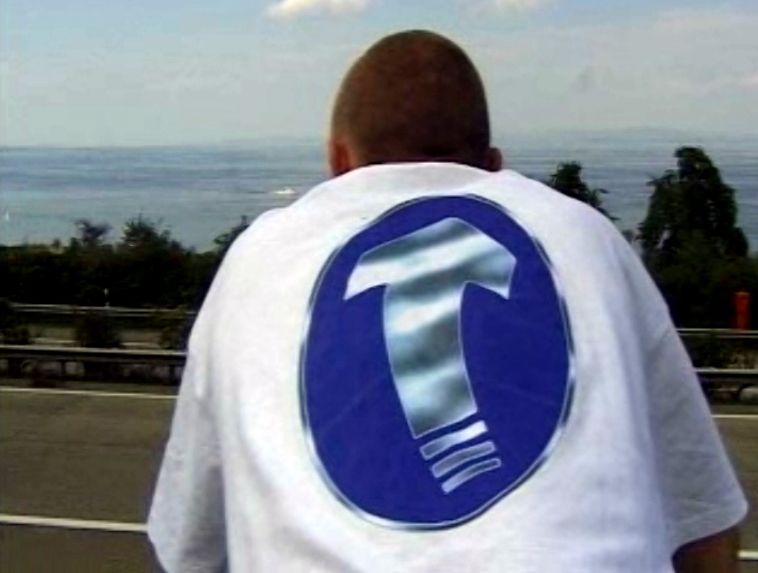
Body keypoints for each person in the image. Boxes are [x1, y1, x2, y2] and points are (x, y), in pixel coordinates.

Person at [147, 30, 747, 572]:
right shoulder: (587, 235)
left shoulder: (257, 257)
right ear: (492, 166)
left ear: (338, 162)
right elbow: (705, 522)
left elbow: (190, 550)